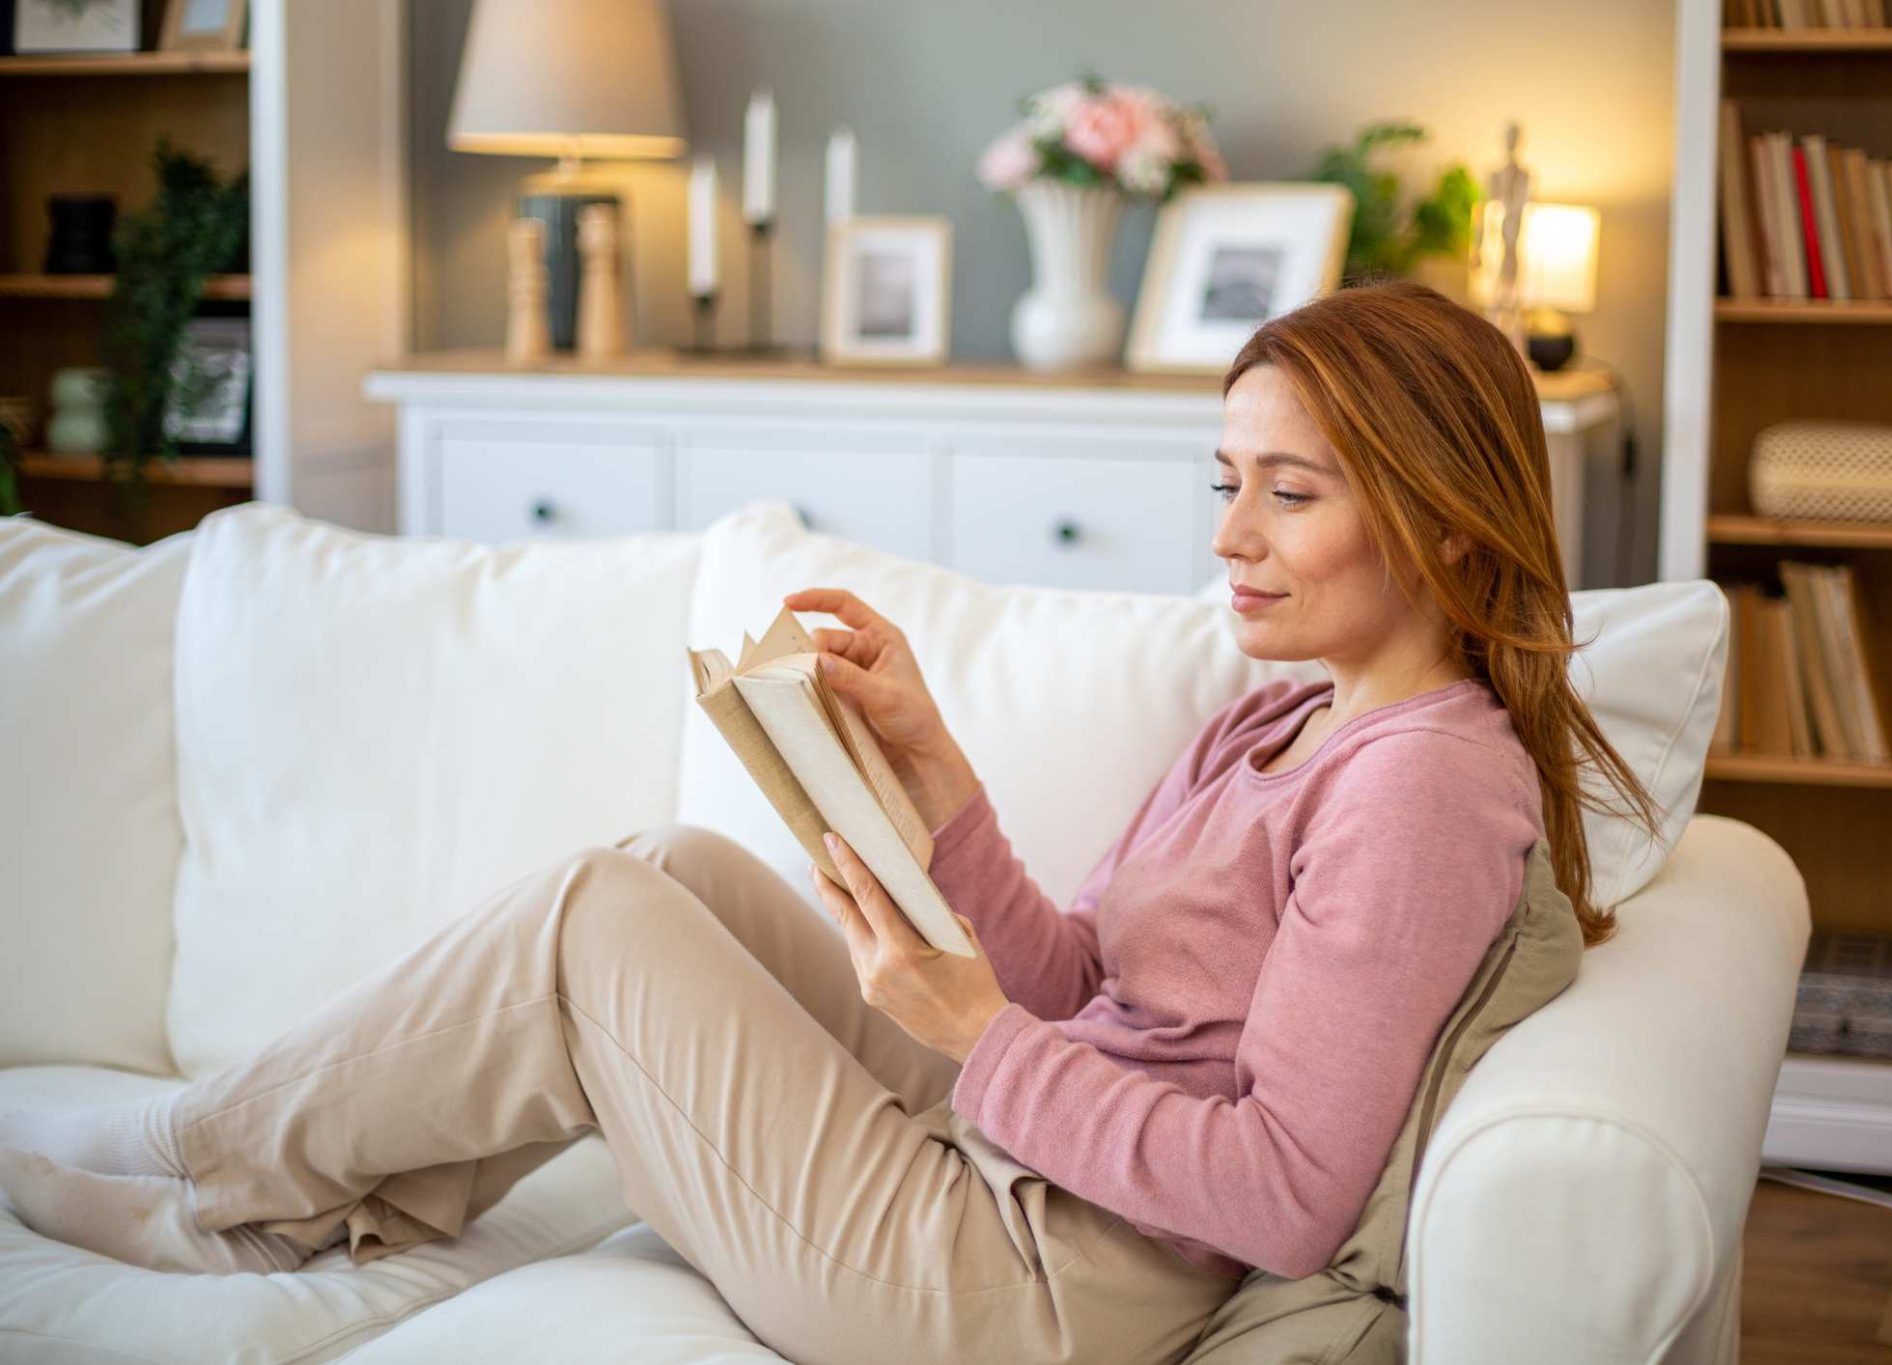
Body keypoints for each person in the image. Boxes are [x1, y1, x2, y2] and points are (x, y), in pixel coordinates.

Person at [0, 279, 1657, 1365]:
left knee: (597, 916)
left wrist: (975, 1035)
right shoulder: (1280, 712)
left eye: (1290, 491)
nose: (1234, 534)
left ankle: (191, 1171)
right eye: (1222, 479)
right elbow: (1094, 987)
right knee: (678, 871)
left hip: (1040, 1284)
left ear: (1440, 511)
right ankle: (277, 1192)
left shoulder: (1426, 784)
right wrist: (930, 766)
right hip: (1018, 1165)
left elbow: (1289, 1192)